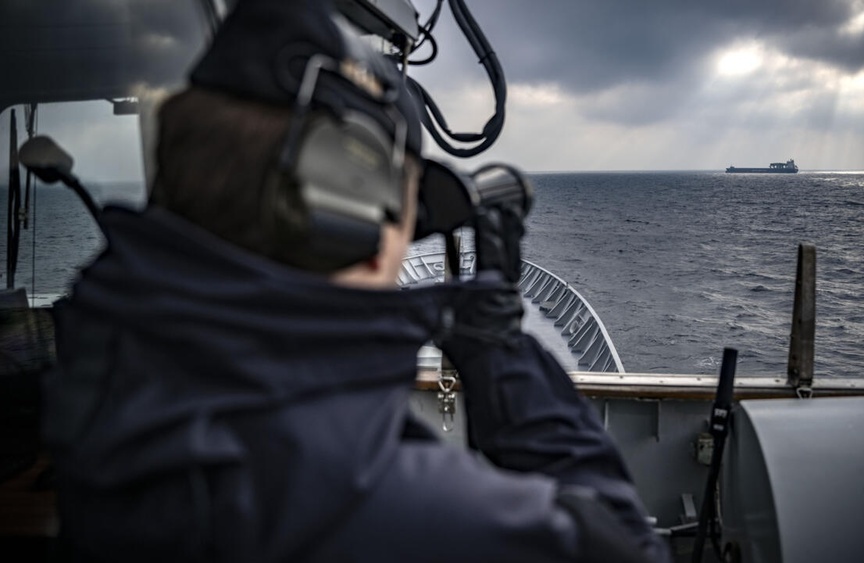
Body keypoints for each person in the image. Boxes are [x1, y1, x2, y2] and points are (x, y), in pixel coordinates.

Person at [43, 1, 672, 561]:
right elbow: (621, 541)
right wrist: (497, 344)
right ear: (351, 218)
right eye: (404, 211)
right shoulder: (369, 504)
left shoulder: (99, 374)